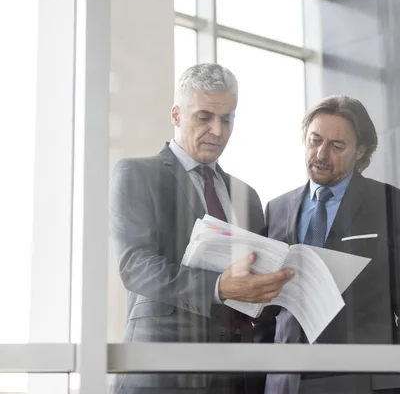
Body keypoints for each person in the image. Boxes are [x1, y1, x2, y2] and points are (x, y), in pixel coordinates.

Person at [110, 63, 292, 394]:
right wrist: (219, 286)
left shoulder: (246, 195)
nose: (218, 131)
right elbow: (135, 266)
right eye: (204, 117)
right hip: (161, 372)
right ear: (177, 115)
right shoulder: (137, 174)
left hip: (233, 374)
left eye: (227, 119)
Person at [260, 95, 400, 394]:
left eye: (337, 146)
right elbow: (267, 310)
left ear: (360, 151)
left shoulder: (390, 203)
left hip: (360, 378)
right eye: (315, 141)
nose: (321, 153)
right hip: (286, 380)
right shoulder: (277, 207)